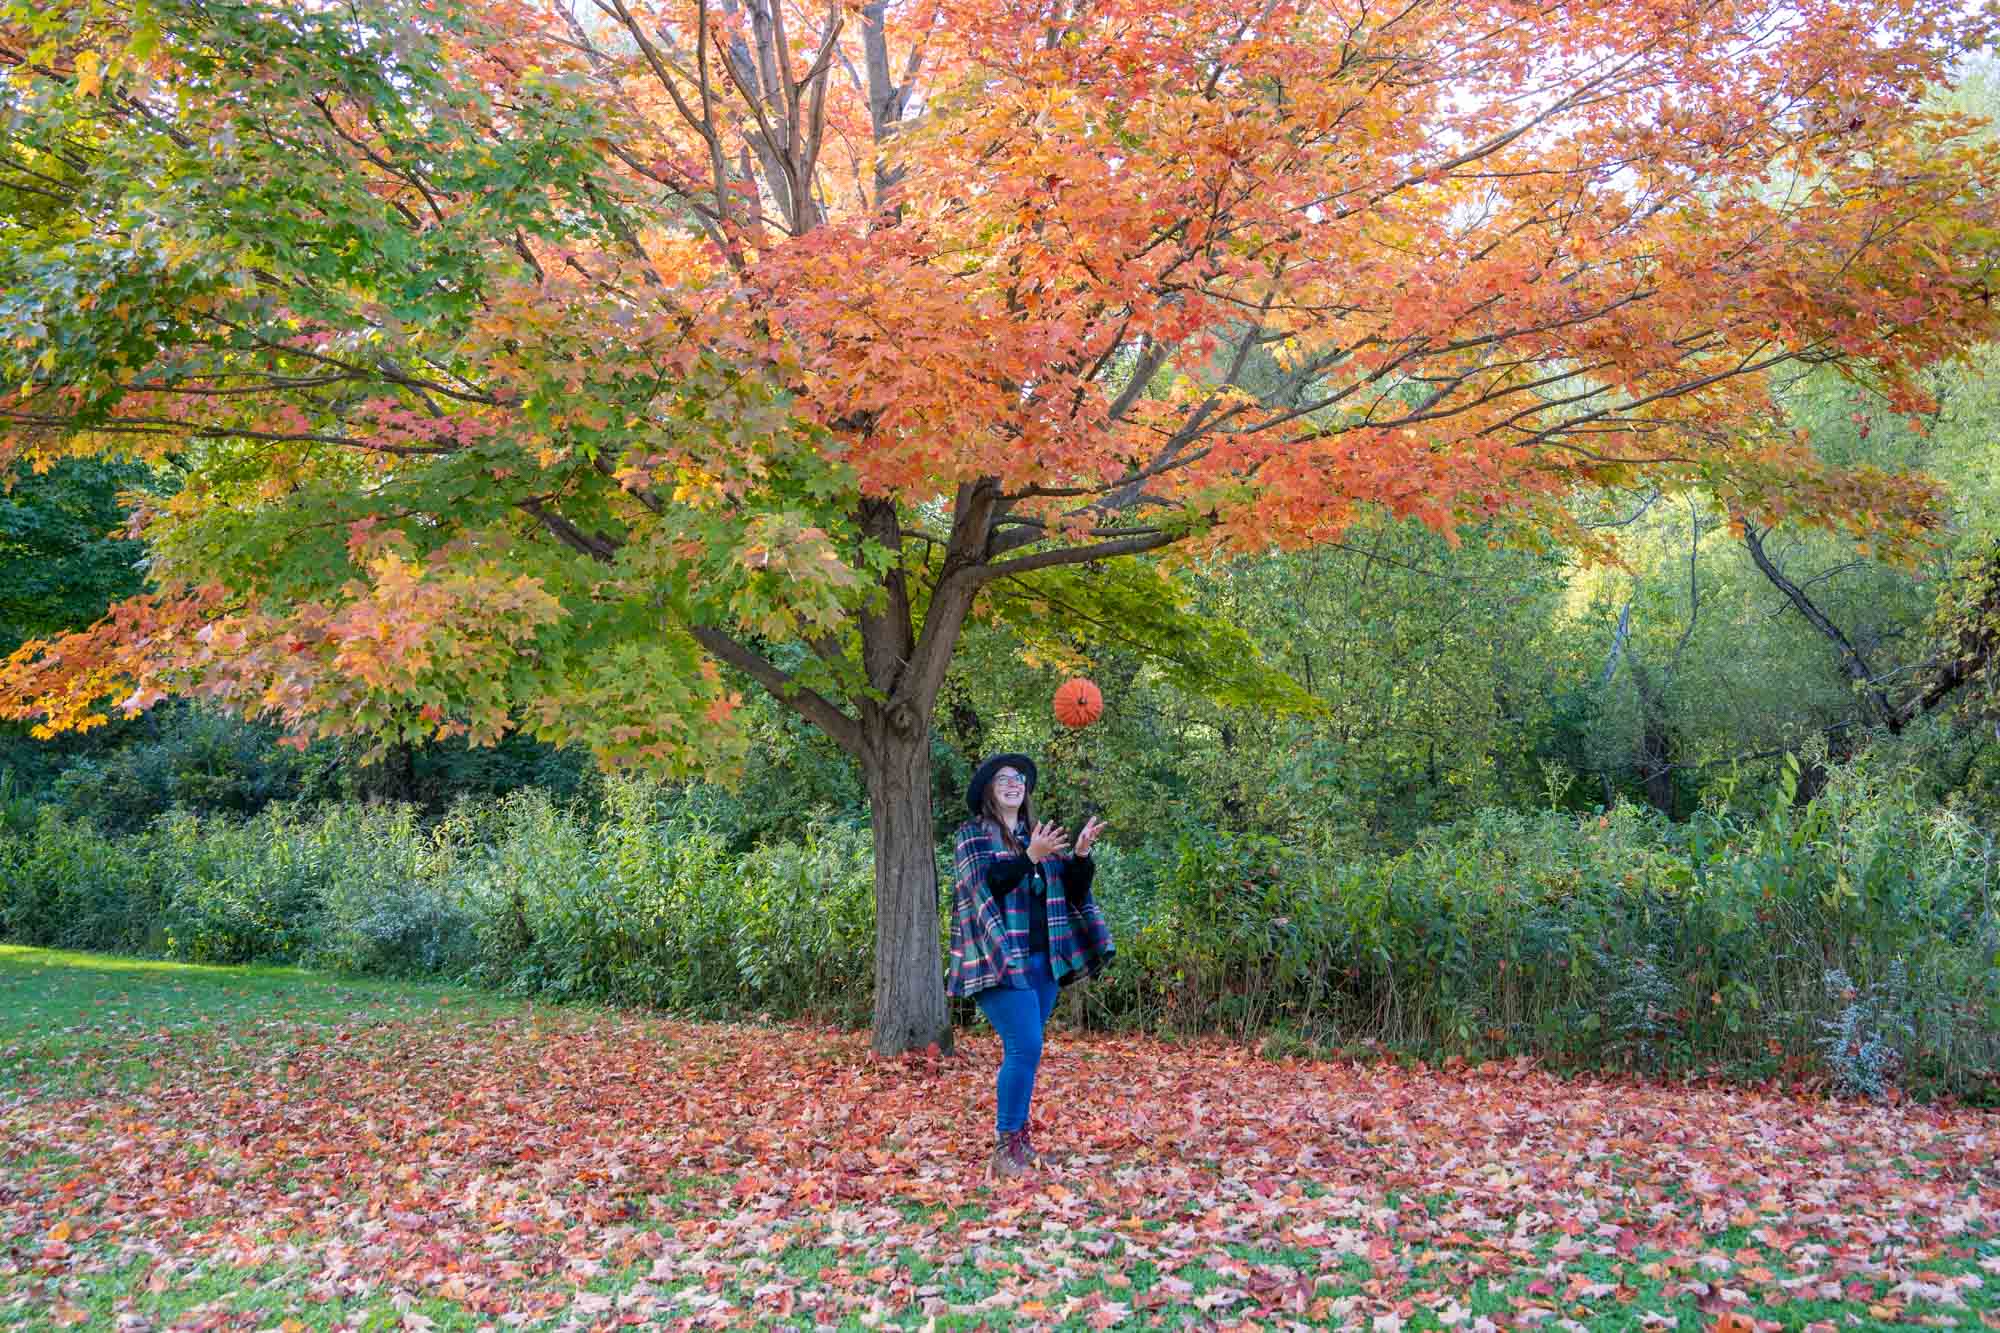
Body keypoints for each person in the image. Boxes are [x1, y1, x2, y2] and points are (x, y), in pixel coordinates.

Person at [947, 752, 1115, 1181]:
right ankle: (1006, 1147)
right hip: (1000, 958)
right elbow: (987, 884)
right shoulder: (972, 835)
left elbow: (1073, 892)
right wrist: (1030, 857)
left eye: (1018, 778)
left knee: (1025, 1052)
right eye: (1002, 778)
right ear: (988, 790)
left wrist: (1079, 855)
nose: (1012, 783)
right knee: (1026, 1047)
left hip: (1044, 961)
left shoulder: (1035, 834)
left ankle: (1020, 1142)